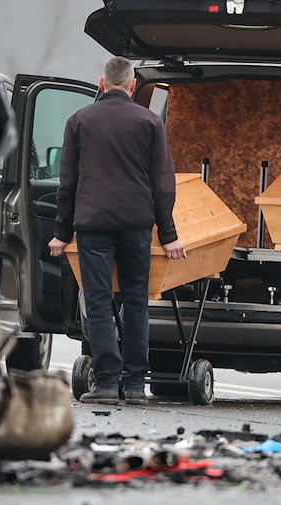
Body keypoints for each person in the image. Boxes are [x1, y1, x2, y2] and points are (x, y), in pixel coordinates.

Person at [48, 56, 186, 405]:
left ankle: (107, 383)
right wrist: (168, 234)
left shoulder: (79, 121)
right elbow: (162, 183)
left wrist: (62, 233)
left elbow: (68, 183)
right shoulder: (150, 122)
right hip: (136, 225)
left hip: (93, 225)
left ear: (101, 83)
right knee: (136, 302)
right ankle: (136, 385)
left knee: (97, 303)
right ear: (133, 85)